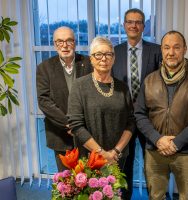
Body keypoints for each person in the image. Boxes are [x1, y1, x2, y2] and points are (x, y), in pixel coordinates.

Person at [134, 30, 188, 199]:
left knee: (187, 197)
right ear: (161, 50)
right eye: (166, 47)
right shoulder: (149, 80)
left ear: (185, 49)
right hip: (155, 150)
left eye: (176, 47)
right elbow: (139, 114)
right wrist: (157, 139)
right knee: (155, 196)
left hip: (186, 151)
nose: (171, 52)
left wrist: (177, 143)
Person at [112, 8, 162, 199]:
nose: (134, 25)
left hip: (149, 119)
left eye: (138, 22)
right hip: (124, 120)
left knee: (153, 165)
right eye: (130, 21)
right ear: (124, 25)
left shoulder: (156, 51)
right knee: (124, 163)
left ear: (143, 26)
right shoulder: (114, 53)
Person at [67, 36, 135, 170]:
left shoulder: (122, 87)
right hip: (90, 156)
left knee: (117, 190)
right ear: (91, 59)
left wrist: (115, 151)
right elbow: (76, 125)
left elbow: (131, 122)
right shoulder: (79, 86)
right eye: (98, 54)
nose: (103, 59)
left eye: (108, 54)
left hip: (117, 157)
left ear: (113, 58)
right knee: (93, 191)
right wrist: (102, 153)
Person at [36, 26, 93, 171]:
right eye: (60, 42)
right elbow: (44, 101)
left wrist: (80, 126)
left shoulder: (89, 63)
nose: (65, 45)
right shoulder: (44, 68)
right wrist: (70, 124)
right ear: (55, 45)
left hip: (88, 132)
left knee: (90, 179)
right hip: (60, 133)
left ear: (75, 42)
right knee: (66, 182)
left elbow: (95, 96)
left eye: (69, 40)